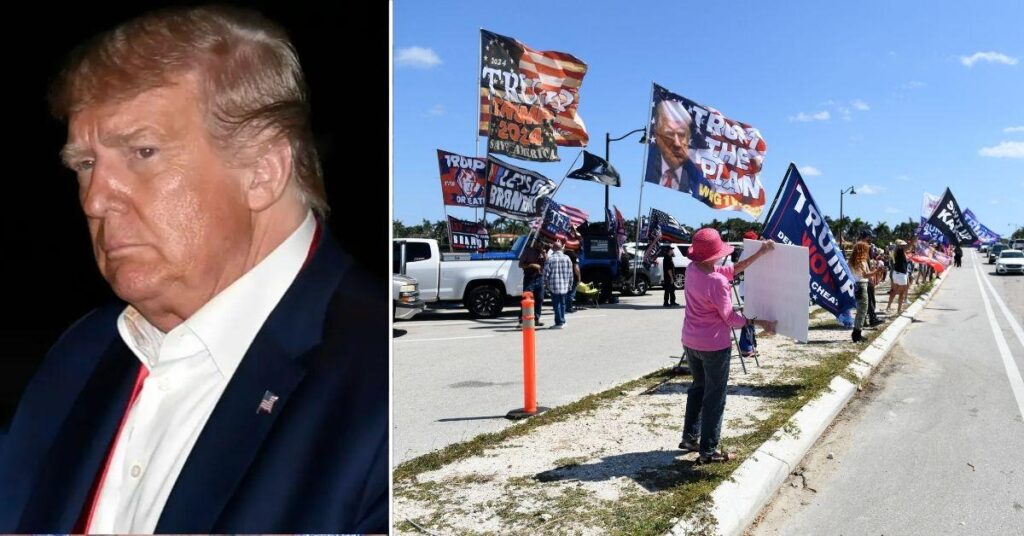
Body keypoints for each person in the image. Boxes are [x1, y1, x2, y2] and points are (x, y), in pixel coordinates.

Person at [0, 6, 386, 533]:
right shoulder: (80, 355)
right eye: (86, 165)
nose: (94, 200)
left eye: (141, 151)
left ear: (262, 171)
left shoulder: (380, 384)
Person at [678, 228, 776, 463]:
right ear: (715, 254)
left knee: (698, 388)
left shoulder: (693, 270)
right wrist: (757, 321)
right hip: (713, 346)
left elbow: (730, 271)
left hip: (690, 341)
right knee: (715, 396)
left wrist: (760, 253)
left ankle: (690, 437)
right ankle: (708, 451)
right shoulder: (717, 282)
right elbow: (730, 318)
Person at [645, 99, 705, 192]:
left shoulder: (693, 174)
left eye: (681, 135)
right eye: (669, 134)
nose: (677, 143)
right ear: (657, 135)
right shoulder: (652, 161)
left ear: (688, 138)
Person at [849, 241, 883, 342]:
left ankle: (857, 332)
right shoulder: (860, 261)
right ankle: (857, 334)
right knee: (863, 309)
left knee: (861, 309)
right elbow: (865, 275)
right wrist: (876, 271)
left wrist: (874, 271)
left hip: (857, 285)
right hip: (862, 285)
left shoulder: (853, 260)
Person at [543, 240, 574, 328]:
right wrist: (570, 285)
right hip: (565, 285)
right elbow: (571, 273)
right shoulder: (567, 258)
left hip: (554, 285)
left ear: (554, 249)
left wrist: (546, 284)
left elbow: (545, 274)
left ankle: (559, 322)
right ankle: (563, 321)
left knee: (556, 304)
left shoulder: (550, 259)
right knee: (563, 304)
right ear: (561, 248)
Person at [518, 239, 547, 327]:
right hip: (529, 278)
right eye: (540, 243)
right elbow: (520, 265)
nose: (541, 245)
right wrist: (531, 265)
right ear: (535, 242)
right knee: (527, 299)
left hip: (540, 277)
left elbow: (547, 263)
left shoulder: (543, 252)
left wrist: (544, 254)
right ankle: (522, 320)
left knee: (540, 299)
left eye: (543, 244)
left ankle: (536, 319)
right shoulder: (528, 251)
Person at [859, 231, 883, 326]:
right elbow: (863, 264)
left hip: (867, 276)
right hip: (865, 278)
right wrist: (871, 274)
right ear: (866, 237)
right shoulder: (861, 247)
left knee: (868, 300)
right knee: (869, 300)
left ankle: (866, 320)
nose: (871, 240)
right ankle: (872, 319)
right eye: (870, 238)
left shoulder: (866, 247)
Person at [886, 239, 911, 316]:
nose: (905, 246)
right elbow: (909, 246)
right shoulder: (899, 251)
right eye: (903, 245)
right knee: (901, 293)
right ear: (900, 245)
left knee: (894, 291)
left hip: (897, 273)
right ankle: (899, 310)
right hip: (901, 274)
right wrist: (915, 239)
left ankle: (888, 307)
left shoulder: (896, 251)